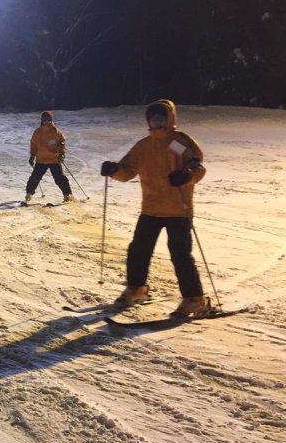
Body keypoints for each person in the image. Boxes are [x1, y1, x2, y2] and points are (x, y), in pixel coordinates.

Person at [100, 99, 208, 318]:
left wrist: (186, 175)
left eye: (161, 118)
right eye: (153, 118)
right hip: (150, 208)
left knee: (180, 255)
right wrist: (113, 170)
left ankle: (194, 299)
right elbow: (128, 169)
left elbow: (196, 165)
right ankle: (137, 288)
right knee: (138, 250)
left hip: (178, 209)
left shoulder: (176, 142)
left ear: (169, 119)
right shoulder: (144, 146)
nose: (157, 122)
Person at [25, 111, 74, 203]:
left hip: (54, 159)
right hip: (41, 160)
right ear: (41, 120)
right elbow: (33, 144)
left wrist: (62, 154)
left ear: (51, 120)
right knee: (35, 177)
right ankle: (29, 193)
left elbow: (62, 143)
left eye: (48, 120)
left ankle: (67, 194)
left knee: (59, 178)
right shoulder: (38, 132)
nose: (46, 122)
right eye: (44, 120)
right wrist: (32, 155)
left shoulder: (56, 131)